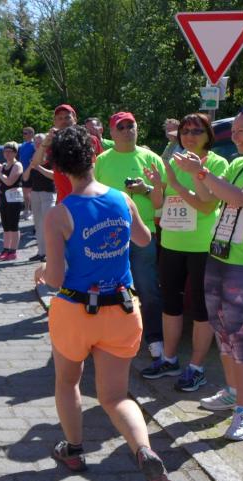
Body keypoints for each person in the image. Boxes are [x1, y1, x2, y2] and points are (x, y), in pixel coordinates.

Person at [34, 125, 178, 481]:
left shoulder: (59, 214)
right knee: (115, 396)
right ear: (94, 157)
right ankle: (143, 450)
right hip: (123, 309)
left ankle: (74, 450)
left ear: (59, 168)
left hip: (76, 311)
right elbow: (144, 239)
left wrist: (43, 271)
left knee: (68, 381)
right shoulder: (122, 199)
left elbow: (56, 278)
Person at [172, 107, 243, 440]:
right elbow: (211, 200)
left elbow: (239, 198)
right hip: (219, 253)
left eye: (241, 131)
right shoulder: (237, 164)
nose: (235, 136)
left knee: (240, 333)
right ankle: (232, 392)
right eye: (233, 131)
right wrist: (198, 175)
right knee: (222, 329)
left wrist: (202, 172)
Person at [140, 114, 229, 392]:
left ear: (208, 135)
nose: (189, 135)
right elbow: (158, 203)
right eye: (185, 131)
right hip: (172, 243)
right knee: (170, 304)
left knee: (202, 309)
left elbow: (206, 205)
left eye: (196, 131)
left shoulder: (217, 163)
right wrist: (157, 184)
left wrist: (185, 179)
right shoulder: (172, 161)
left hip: (203, 246)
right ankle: (169, 359)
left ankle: (196, 368)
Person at [94, 111, 165, 359]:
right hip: (108, 235)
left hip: (145, 232)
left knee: (148, 288)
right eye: (121, 127)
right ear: (112, 133)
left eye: (130, 126)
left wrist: (145, 189)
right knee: (110, 288)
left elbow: (161, 202)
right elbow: (92, 196)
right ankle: (110, 338)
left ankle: (155, 339)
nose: (126, 131)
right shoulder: (101, 160)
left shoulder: (152, 158)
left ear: (137, 128)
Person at [23, 133, 55, 262]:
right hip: (35, 193)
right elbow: (25, 178)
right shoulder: (33, 157)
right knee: (38, 224)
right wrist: (30, 167)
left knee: (48, 224)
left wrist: (38, 167)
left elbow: (54, 175)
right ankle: (41, 252)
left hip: (49, 193)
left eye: (39, 141)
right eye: (35, 142)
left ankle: (50, 253)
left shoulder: (51, 156)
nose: (36, 144)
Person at [0, 141, 24, 260]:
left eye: (10, 151)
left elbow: (9, 181)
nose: (7, 154)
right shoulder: (4, 165)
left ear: (15, 153)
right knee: (5, 225)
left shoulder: (17, 165)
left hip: (14, 199)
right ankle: (5, 249)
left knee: (13, 225)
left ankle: (13, 251)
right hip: (4, 197)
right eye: (5, 152)